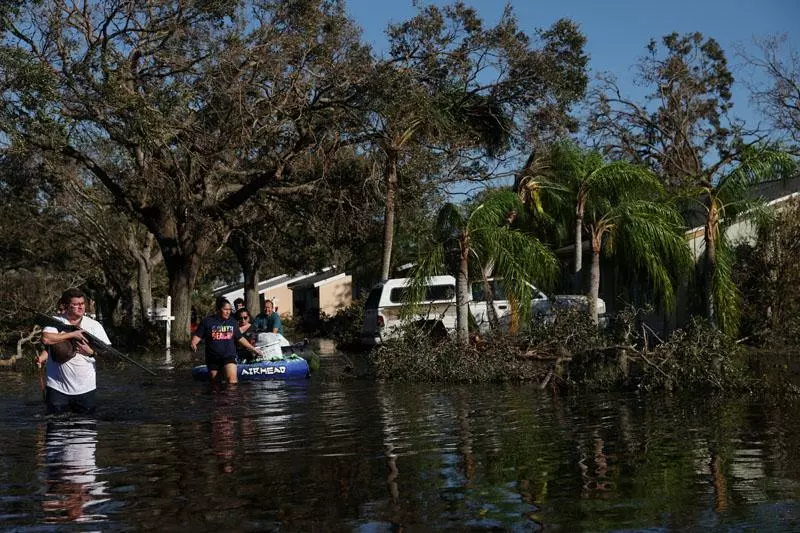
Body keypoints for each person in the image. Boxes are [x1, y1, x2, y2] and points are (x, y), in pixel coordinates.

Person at [41, 288, 110, 415]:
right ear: (66, 306)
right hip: (57, 388)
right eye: (75, 304)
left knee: (86, 429)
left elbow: (107, 354)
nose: (80, 307)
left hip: (86, 388)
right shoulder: (56, 321)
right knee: (56, 429)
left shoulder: (95, 325)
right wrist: (73, 334)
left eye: (82, 304)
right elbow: (46, 338)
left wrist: (91, 352)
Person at [190, 297, 262, 384]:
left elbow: (240, 338)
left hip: (229, 356)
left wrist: (254, 349)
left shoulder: (232, 321)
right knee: (215, 384)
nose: (228, 312)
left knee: (232, 381)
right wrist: (193, 343)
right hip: (213, 357)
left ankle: (232, 398)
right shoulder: (207, 322)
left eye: (230, 309)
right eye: (225, 309)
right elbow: (198, 336)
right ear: (218, 309)